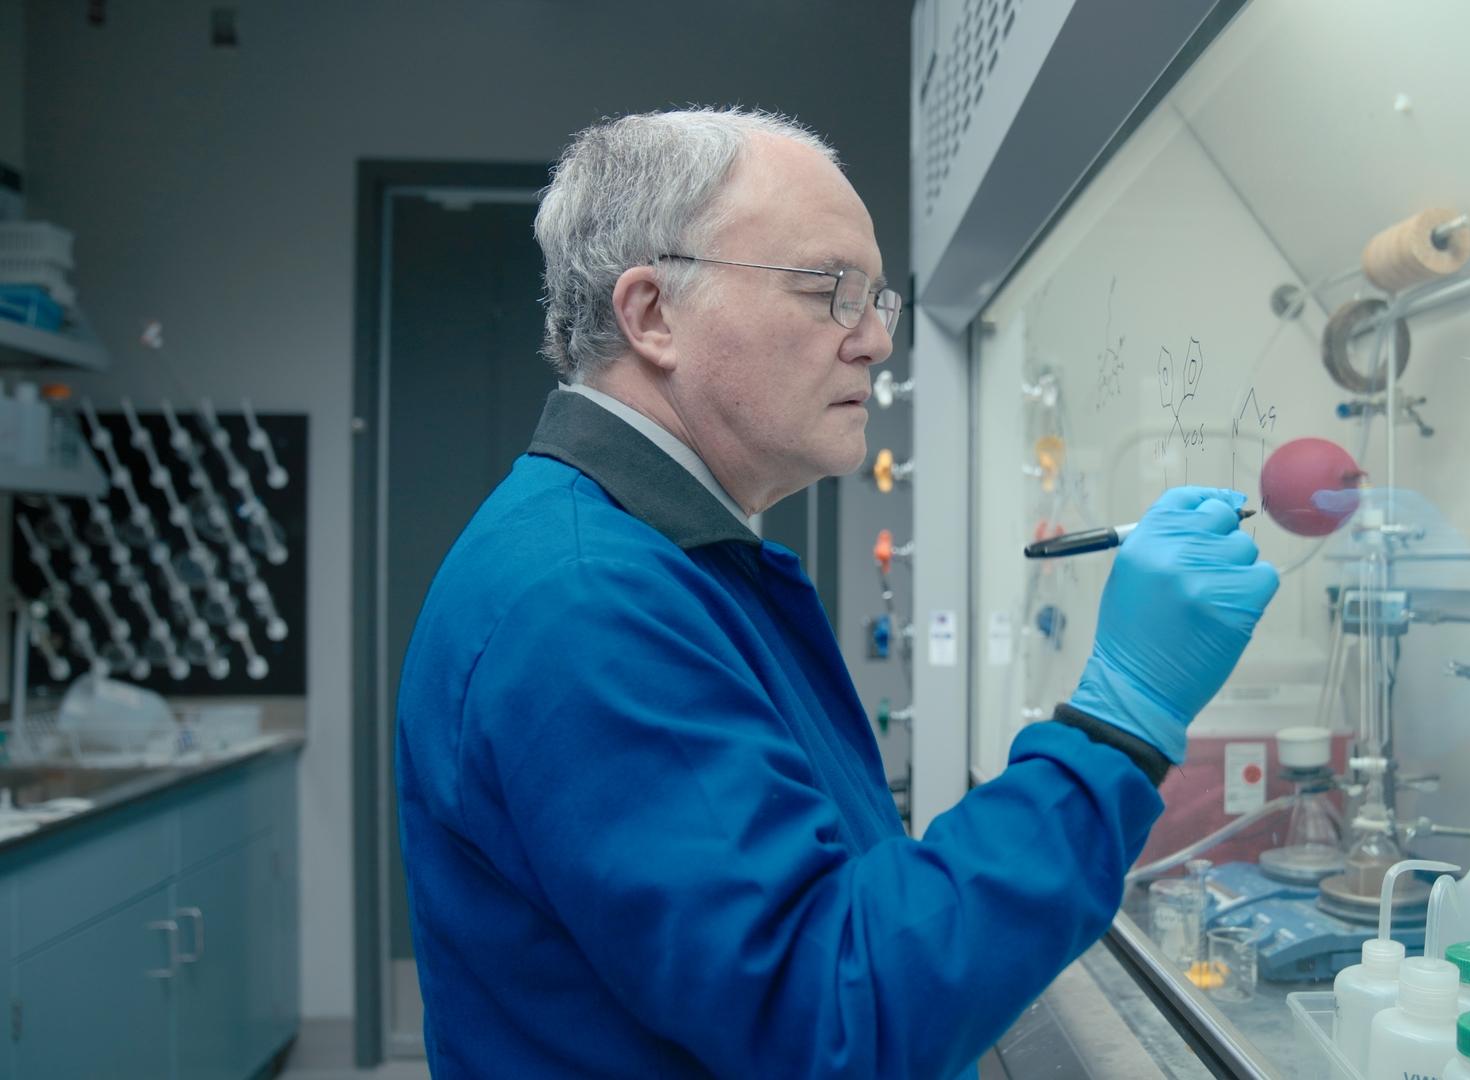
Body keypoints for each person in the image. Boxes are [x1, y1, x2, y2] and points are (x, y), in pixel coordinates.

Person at [396, 107, 1280, 1078]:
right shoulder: (587, 603)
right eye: (829, 291)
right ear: (651, 316)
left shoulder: (665, 557)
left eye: (877, 301)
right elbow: (831, 1017)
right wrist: (1121, 717)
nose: (873, 343)